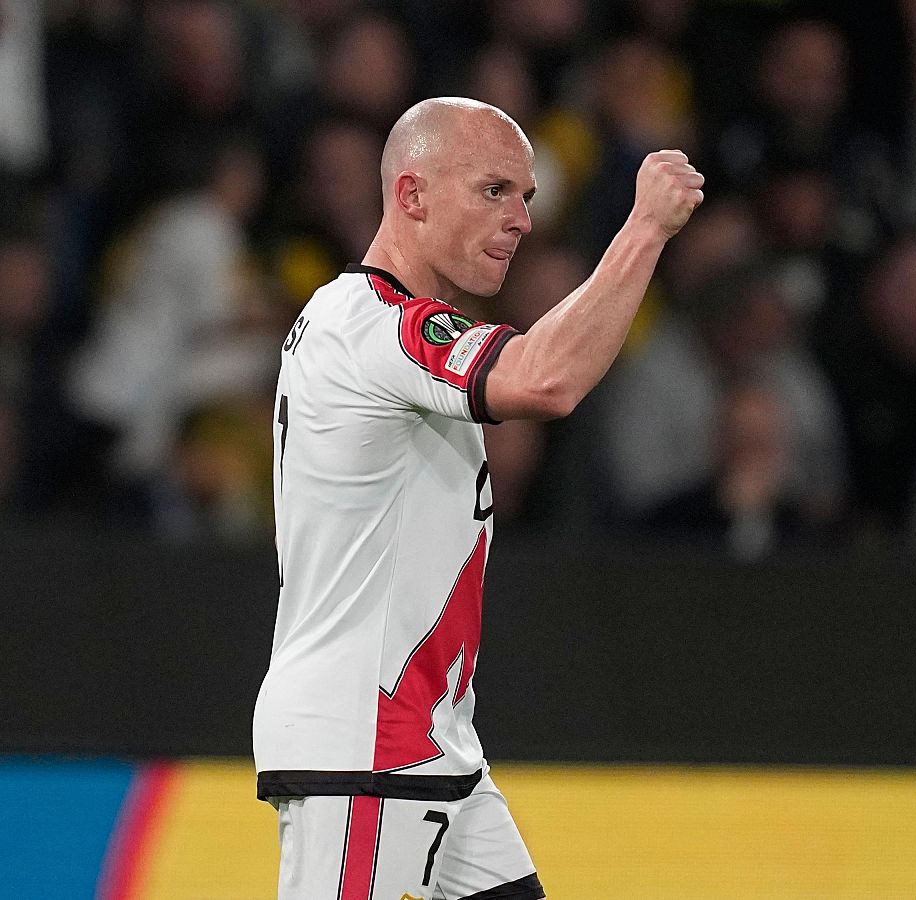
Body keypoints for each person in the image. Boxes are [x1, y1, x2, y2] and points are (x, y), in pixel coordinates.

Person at [252, 97, 702, 898]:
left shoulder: (371, 327)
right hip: (364, 748)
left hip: (430, 746)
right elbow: (545, 379)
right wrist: (644, 230)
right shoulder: (375, 324)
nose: (520, 219)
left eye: (525, 197)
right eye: (494, 190)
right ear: (412, 195)